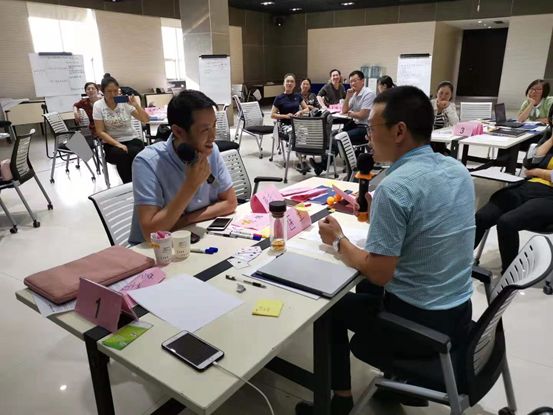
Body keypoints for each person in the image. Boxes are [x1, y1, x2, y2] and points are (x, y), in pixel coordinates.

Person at [295, 86, 475, 415]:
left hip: (422, 326)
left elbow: (379, 273)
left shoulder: (395, 187)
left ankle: (340, 401)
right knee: (363, 288)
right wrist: (375, 209)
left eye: (372, 128)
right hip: (459, 313)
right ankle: (401, 383)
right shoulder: (457, 170)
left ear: (399, 131)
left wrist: (337, 240)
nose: (368, 136)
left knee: (331, 308)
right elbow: (427, 223)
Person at [129, 90, 238, 244]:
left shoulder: (210, 151)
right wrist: (190, 185)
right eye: (205, 129)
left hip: (192, 237)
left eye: (214, 125)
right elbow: (151, 234)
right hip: (154, 250)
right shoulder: (147, 162)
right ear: (178, 131)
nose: (213, 136)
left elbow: (230, 202)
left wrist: (186, 220)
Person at [475, 105, 553, 273]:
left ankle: (509, 274)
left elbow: (532, 170)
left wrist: (538, 172)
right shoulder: (548, 137)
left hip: (549, 197)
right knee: (482, 217)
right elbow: (527, 164)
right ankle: (457, 263)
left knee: (507, 222)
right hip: (528, 187)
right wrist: (551, 140)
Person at [93, 74, 150, 183]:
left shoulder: (124, 103)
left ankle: (140, 183)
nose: (113, 94)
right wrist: (118, 144)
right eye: (109, 91)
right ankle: (128, 185)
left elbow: (145, 119)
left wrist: (136, 105)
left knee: (135, 153)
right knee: (121, 154)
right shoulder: (98, 105)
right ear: (103, 91)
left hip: (131, 138)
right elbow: (100, 131)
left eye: (115, 91)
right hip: (112, 143)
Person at [271, 73, 310, 172]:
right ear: (284, 84)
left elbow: (307, 109)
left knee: (306, 132)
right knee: (297, 134)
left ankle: (301, 159)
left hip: (297, 124)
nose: (289, 83)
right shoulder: (279, 98)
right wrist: (285, 116)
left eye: (292, 81)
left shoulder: (298, 96)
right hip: (284, 125)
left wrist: (300, 112)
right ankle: (301, 161)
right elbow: (272, 115)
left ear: (295, 84)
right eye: (287, 81)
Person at [431, 81, 459, 154]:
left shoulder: (451, 106)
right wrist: (439, 110)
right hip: (430, 138)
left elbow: (455, 123)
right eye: (441, 93)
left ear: (451, 95)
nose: (443, 96)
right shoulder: (430, 104)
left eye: (447, 94)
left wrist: (447, 108)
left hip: (443, 139)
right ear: (437, 93)